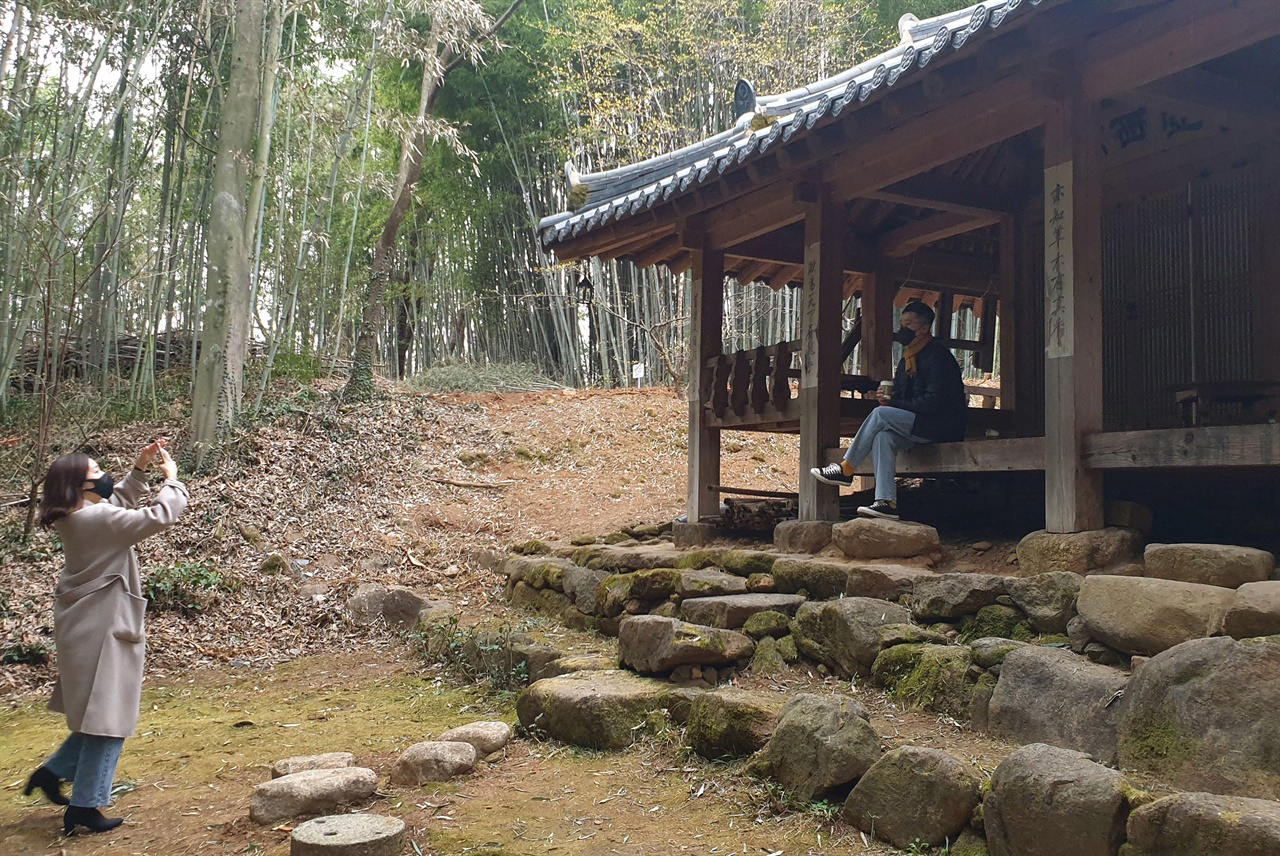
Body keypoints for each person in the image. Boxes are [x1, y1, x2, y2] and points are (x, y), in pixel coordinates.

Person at [26, 440, 188, 835]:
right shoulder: (95, 522)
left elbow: (114, 503)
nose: (103, 478)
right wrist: (173, 481)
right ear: (78, 488)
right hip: (102, 629)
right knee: (109, 721)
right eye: (95, 475)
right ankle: (85, 805)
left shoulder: (74, 515)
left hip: (86, 626)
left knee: (99, 714)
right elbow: (160, 515)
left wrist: (138, 470)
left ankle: (52, 773)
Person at [810, 301, 967, 520]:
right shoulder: (906, 360)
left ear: (923, 328)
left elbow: (935, 402)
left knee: (880, 414)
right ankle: (886, 502)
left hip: (939, 425)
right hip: (918, 424)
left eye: (908, 323)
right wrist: (889, 398)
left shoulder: (939, 357)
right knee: (883, 437)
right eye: (901, 323)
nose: (902, 328)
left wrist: (893, 406)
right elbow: (902, 397)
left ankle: (846, 469)